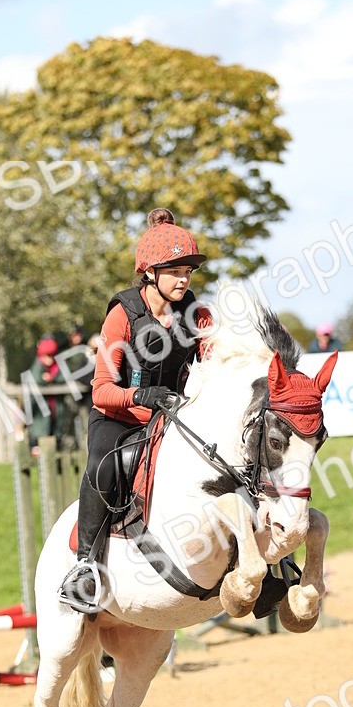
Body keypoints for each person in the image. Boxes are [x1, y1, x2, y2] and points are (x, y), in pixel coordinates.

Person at [58, 208, 213, 613]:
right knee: (103, 465)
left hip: (173, 420)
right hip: (120, 420)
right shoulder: (121, 315)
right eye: (175, 272)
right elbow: (102, 392)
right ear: (151, 273)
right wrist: (140, 397)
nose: (184, 280)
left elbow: (212, 357)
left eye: (188, 273)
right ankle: (85, 567)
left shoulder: (194, 313)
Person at [23, 336, 60, 451]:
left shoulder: (57, 367)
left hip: (55, 414)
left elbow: (64, 378)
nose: (50, 358)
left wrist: (52, 378)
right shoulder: (37, 366)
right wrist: (45, 380)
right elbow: (35, 379)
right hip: (40, 417)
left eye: (51, 355)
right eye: (47, 355)